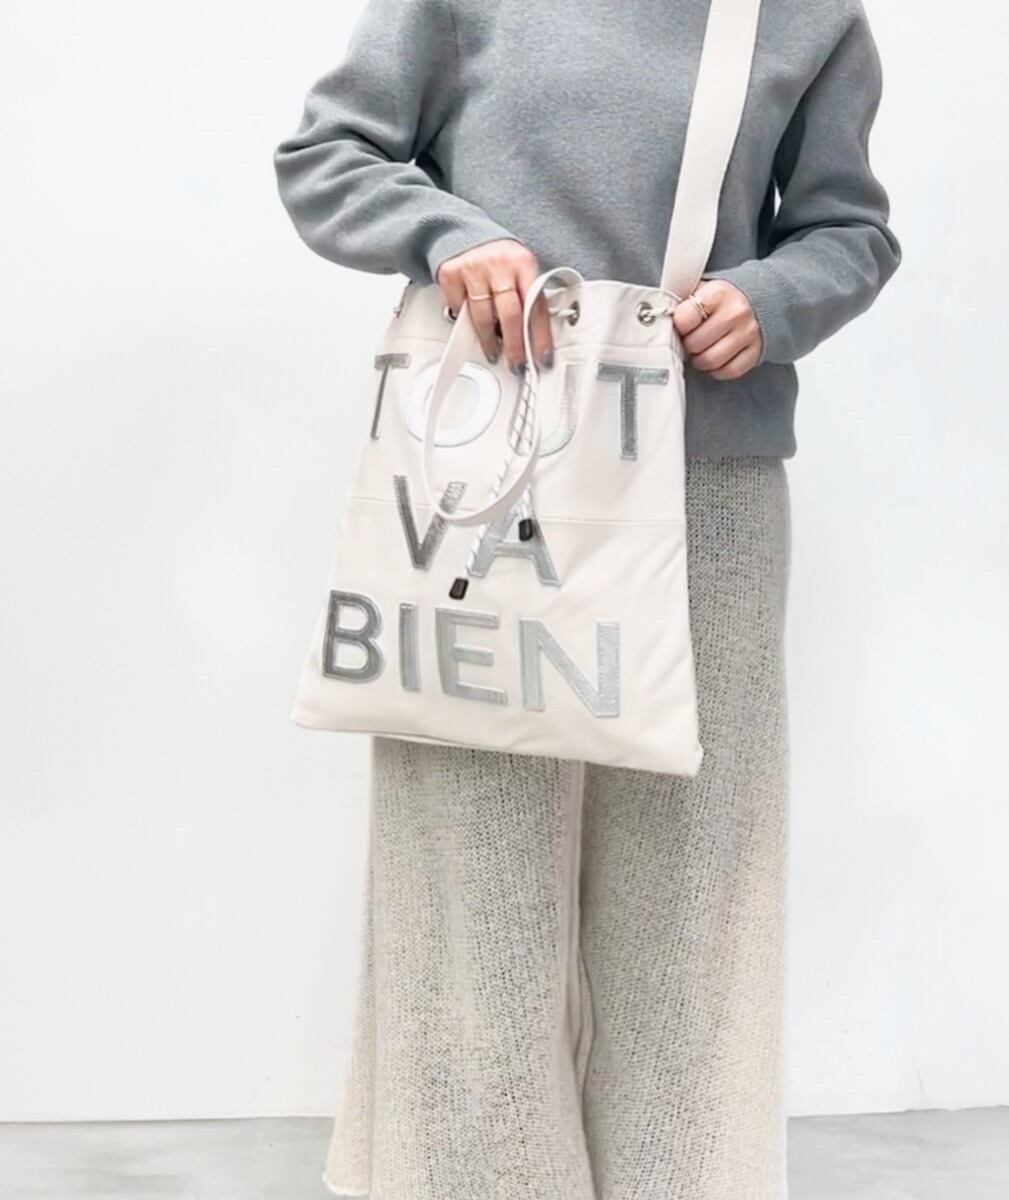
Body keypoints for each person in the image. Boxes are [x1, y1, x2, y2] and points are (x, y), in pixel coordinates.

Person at [273, 1, 900, 1196]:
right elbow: (327, 154)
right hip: (487, 474)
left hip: (705, 491)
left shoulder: (804, 17)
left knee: (693, 893)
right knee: (473, 889)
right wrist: (448, 235)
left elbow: (850, 231)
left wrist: (771, 300)